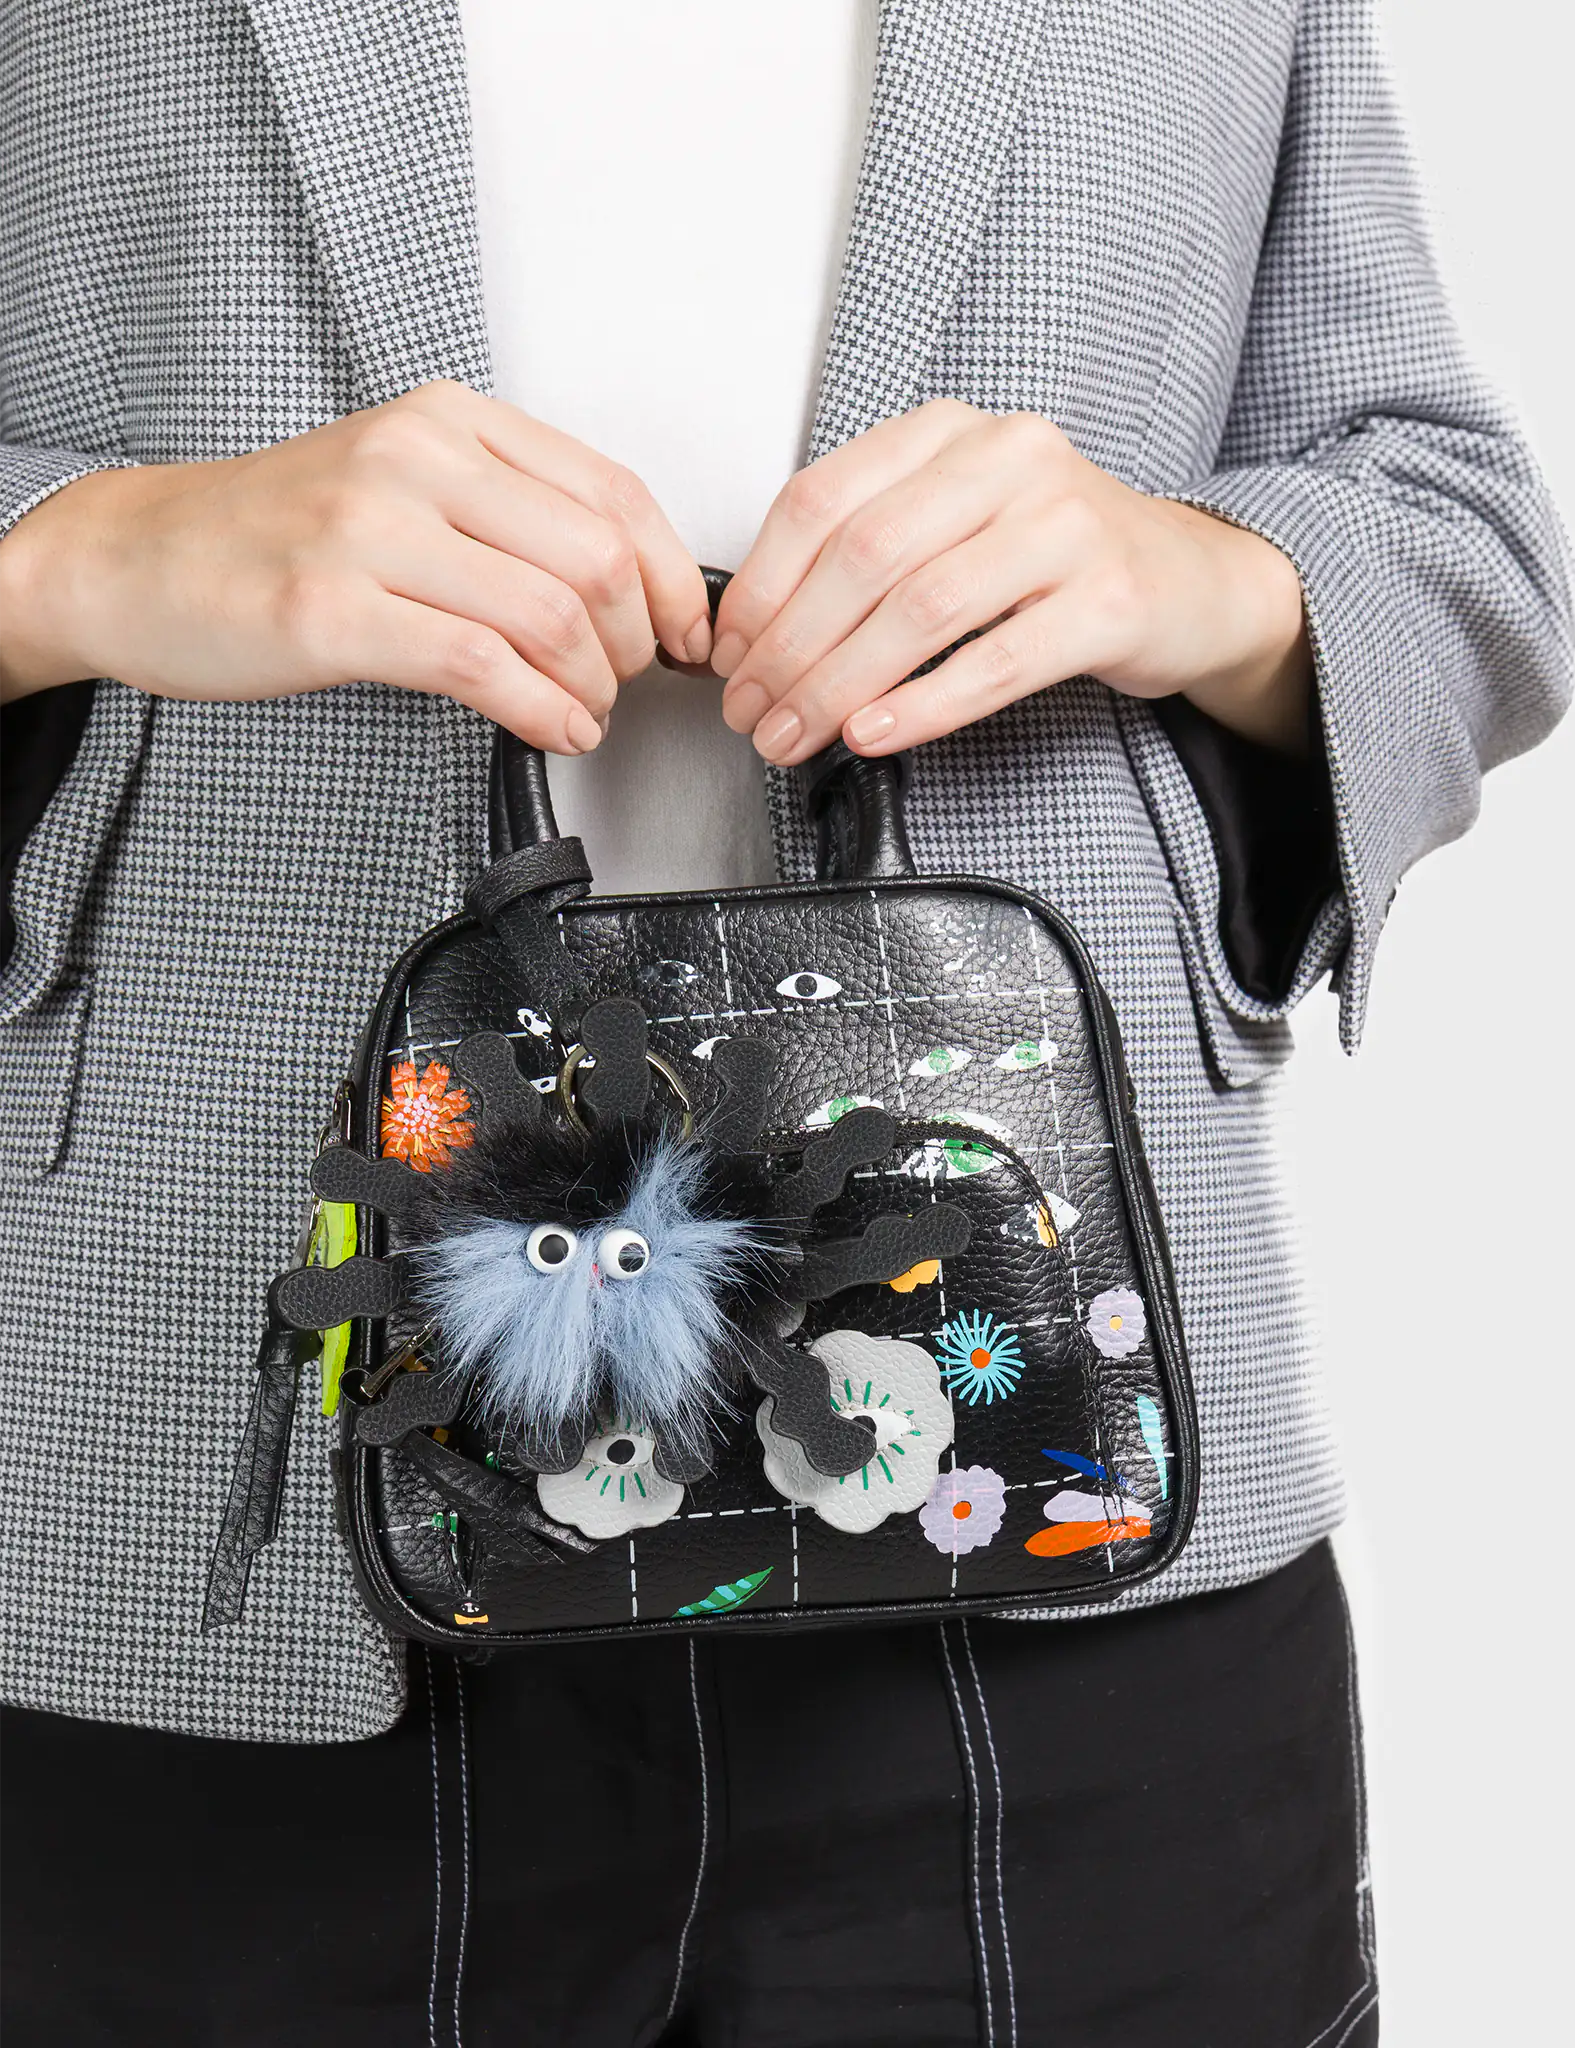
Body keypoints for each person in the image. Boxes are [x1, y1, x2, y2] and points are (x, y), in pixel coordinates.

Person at [0, 2, 1565, 2042]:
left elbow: (1459, 538)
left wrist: (1191, 569)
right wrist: (82, 553)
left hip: (1066, 1501)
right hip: (206, 1502)